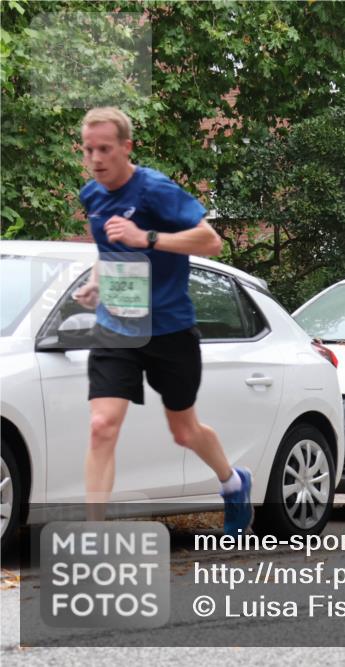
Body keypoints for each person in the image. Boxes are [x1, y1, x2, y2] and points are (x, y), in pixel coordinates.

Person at [73, 107, 252, 535]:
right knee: (101, 427)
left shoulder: (154, 189)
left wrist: (148, 237)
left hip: (170, 328)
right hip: (118, 326)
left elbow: (212, 242)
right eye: (88, 149)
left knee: (184, 431)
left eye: (105, 149)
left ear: (126, 148)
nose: (96, 158)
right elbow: (109, 250)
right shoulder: (92, 195)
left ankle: (232, 483)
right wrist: (97, 282)